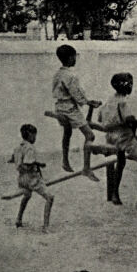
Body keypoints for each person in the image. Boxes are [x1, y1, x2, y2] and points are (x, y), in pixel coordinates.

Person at [93, 72, 137, 209]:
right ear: (124, 86)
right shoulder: (123, 102)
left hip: (110, 137)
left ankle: (114, 194)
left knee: (121, 162)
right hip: (124, 138)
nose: (131, 86)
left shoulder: (109, 100)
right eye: (130, 84)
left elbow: (100, 119)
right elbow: (128, 119)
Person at [51, 44, 99, 178]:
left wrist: (86, 101)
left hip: (59, 107)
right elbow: (76, 93)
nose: (75, 59)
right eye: (74, 56)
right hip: (69, 109)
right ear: (70, 58)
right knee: (90, 135)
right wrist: (88, 102)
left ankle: (65, 161)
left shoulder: (58, 73)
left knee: (67, 133)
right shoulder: (70, 76)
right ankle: (86, 168)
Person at [9, 123, 53, 232]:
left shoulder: (17, 148)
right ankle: (46, 226)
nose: (35, 138)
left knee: (27, 195)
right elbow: (28, 164)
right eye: (34, 135)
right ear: (30, 135)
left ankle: (18, 219)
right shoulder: (30, 148)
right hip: (31, 178)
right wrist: (39, 164)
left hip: (21, 179)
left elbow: (12, 159)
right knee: (50, 198)